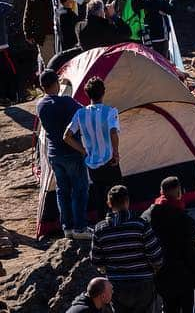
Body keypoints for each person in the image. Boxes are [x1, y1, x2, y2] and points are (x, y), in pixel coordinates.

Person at [142, 177, 195, 313]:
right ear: (180, 193)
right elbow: (192, 254)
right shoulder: (183, 219)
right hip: (187, 279)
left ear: (161, 191)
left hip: (162, 278)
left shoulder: (146, 217)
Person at [89, 184, 163, 313]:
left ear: (109, 203)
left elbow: (96, 260)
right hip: (143, 283)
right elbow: (156, 256)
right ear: (127, 201)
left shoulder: (100, 229)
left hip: (116, 286)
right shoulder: (141, 225)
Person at [38, 70, 90, 238]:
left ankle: (67, 227)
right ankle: (80, 227)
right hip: (71, 152)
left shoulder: (40, 105)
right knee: (79, 190)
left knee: (62, 190)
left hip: (54, 154)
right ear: (56, 84)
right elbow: (85, 114)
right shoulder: (67, 102)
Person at [64, 76, 120, 224]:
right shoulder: (110, 111)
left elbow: (67, 136)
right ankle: (119, 223)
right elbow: (113, 132)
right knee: (116, 193)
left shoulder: (80, 114)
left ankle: (102, 225)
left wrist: (83, 150)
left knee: (99, 195)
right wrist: (116, 152)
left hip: (92, 162)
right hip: (109, 159)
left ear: (87, 94)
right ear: (103, 92)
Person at [24, 0, 57, 68]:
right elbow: (28, 15)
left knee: (59, 63)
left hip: (58, 34)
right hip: (42, 36)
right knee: (50, 65)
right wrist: (28, 33)